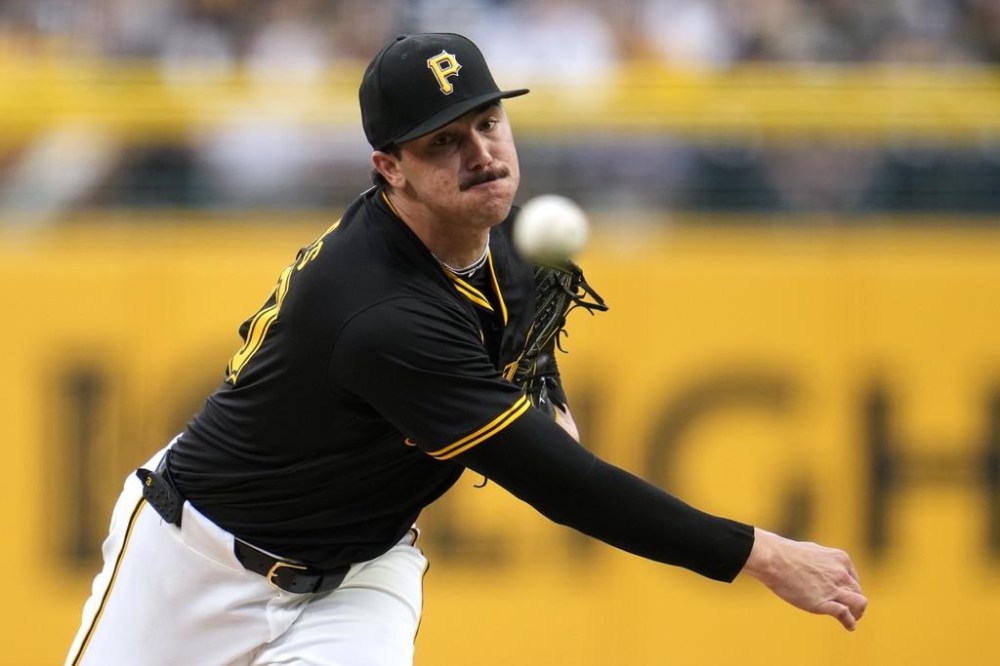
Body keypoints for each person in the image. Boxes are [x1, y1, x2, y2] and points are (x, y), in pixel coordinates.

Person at [65, 32, 867, 666]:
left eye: (489, 121)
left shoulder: (496, 221)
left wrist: (546, 389)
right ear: (390, 168)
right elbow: (568, 486)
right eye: (444, 141)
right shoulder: (380, 316)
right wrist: (758, 552)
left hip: (359, 579)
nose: (482, 153)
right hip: (190, 566)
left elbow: (521, 325)